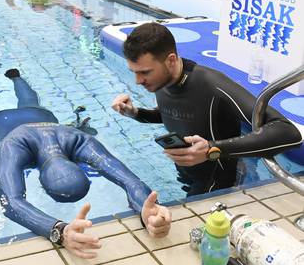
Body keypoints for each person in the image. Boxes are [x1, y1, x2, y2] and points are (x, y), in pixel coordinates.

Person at [0, 69, 172, 259]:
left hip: (38, 117)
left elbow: (12, 201)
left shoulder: (74, 137)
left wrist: (147, 210)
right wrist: (61, 231)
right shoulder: (26, 143)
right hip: (3, 122)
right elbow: (128, 179)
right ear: (78, 164)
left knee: (2, 105)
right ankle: (10, 77)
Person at [111, 22, 303, 196]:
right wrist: (136, 113)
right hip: (188, 174)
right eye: (134, 73)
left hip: (218, 183)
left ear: (170, 60)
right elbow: (176, 113)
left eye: (144, 72)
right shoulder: (162, 81)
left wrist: (212, 149)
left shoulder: (212, 85)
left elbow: (288, 132)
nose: (138, 81)